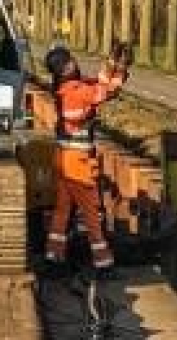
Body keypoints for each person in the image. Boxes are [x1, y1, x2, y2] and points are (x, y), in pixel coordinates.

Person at [40, 40, 129, 269]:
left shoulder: (66, 89)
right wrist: (120, 69)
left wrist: (111, 64)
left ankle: (54, 255)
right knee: (91, 212)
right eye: (71, 60)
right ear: (67, 67)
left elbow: (98, 84)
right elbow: (105, 92)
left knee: (63, 209)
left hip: (64, 159)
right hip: (77, 162)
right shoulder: (76, 92)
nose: (75, 62)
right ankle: (103, 261)